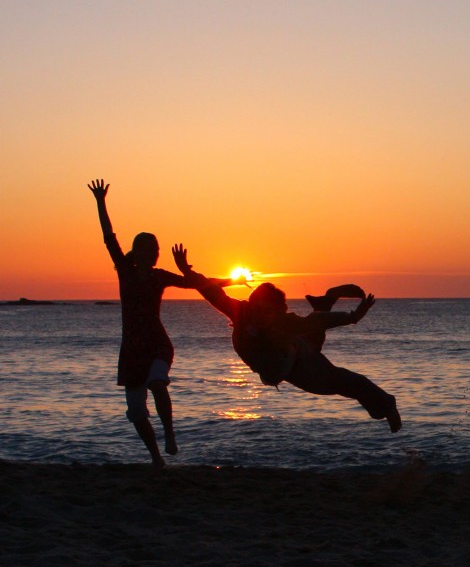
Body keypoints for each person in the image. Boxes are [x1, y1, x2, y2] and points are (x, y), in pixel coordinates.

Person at [88, 179, 238, 468]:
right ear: (139, 250)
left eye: (156, 248)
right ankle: (156, 457)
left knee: (157, 383)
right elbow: (109, 237)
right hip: (131, 349)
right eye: (150, 248)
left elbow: (195, 284)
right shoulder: (125, 271)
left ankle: (169, 434)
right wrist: (100, 201)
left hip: (158, 345)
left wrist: (232, 279)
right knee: (135, 412)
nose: (154, 252)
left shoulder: (160, 276)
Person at [171, 246, 402, 432]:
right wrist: (186, 271)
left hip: (302, 358)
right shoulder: (240, 312)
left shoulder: (282, 321)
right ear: (252, 305)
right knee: (334, 381)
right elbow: (210, 291)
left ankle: (386, 404)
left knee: (341, 381)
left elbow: (314, 323)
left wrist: (352, 317)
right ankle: (325, 301)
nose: (265, 317)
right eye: (261, 310)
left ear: (277, 311)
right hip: (286, 362)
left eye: (270, 312)